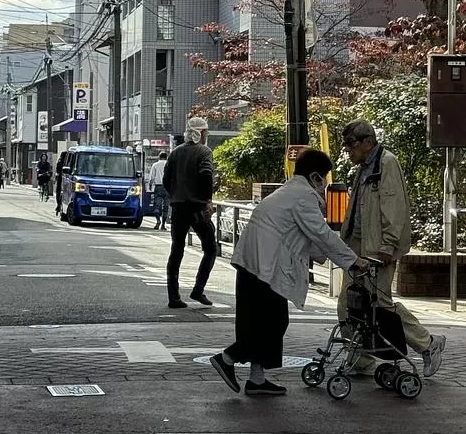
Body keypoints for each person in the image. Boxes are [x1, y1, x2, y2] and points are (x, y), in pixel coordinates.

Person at [210, 148, 366, 397]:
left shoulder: (290, 191)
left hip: (254, 262)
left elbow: (308, 238)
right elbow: (321, 234)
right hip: (264, 265)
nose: (325, 183)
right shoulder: (303, 197)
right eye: (324, 177)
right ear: (315, 176)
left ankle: (256, 379)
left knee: (257, 322)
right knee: (273, 322)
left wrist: (328, 256)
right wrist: (353, 261)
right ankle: (227, 358)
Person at [339, 119, 446, 378]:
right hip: (358, 245)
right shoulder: (365, 167)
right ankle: (360, 358)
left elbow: (394, 208)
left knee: (380, 303)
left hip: (377, 248)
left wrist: (387, 246)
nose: (349, 151)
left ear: (368, 141)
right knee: (348, 304)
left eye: (351, 144)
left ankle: (428, 343)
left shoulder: (386, 163)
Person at [162, 116, 218, 310]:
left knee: (176, 250)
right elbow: (206, 175)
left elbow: (166, 180)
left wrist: (176, 194)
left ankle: (173, 296)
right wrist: (207, 201)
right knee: (210, 248)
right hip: (197, 207)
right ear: (202, 133)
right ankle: (198, 289)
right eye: (206, 131)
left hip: (178, 207)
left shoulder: (175, 153)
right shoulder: (204, 151)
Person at [147, 152, 168, 230]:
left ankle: (158, 221)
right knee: (166, 206)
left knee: (157, 205)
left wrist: (150, 184)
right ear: (166, 157)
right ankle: (163, 224)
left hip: (158, 187)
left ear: (159, 157)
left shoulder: (155, 165)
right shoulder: (169, 164)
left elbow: (152, 176)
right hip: (167, 187)